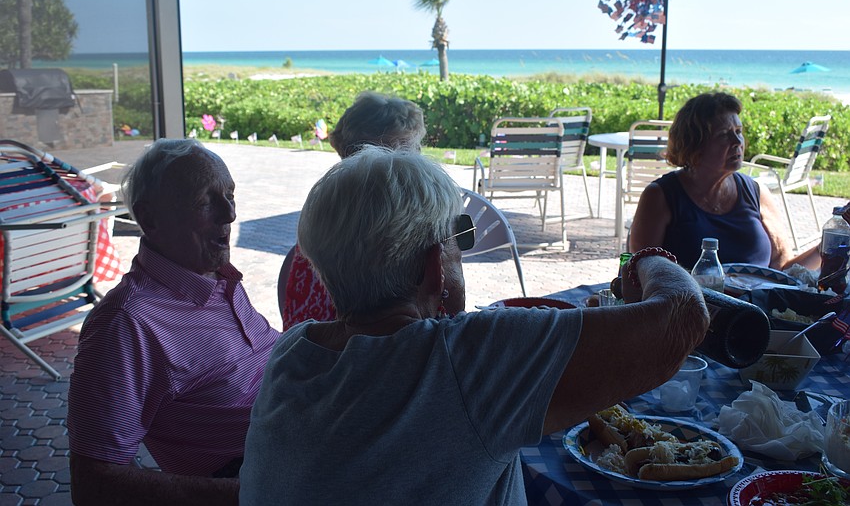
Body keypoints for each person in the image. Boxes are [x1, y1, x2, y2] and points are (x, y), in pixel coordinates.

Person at [239, 146, 710, 505]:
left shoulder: (291, 354)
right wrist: (649, 257)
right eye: (458, 236)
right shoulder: (464, 361)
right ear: (434, 268)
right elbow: (682, 319)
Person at [67, 139, 280, 506]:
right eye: (205, 201)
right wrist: (253, 494)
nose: (229, 214)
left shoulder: (219, 279)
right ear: (149, 218)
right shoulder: (126, 324)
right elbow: (93, 484)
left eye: (229, 195)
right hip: (264, 475)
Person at [278, 91, 428, 329]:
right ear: (360, 156)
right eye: (403, 152)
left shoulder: (329, 204)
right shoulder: (382, 228)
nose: (415, 161)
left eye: (413, 151)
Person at [629, 92, 820, 271]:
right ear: (695, 144)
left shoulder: (756, 193)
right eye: (723, 134)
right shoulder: (660, 196)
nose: (737, 141)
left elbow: (784, 270)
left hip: (761, 298)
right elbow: (642, 273)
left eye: (738, 131)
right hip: (687, 297)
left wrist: (825, 247)